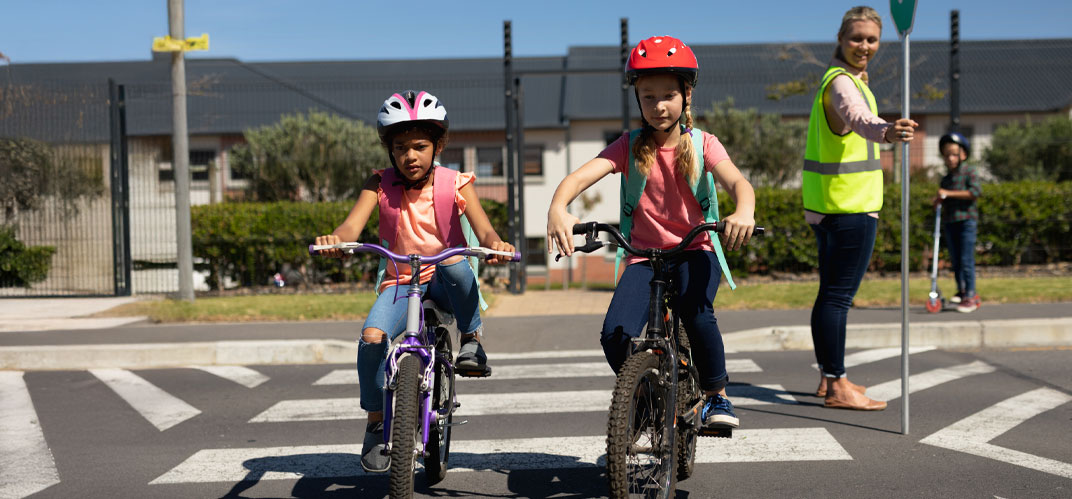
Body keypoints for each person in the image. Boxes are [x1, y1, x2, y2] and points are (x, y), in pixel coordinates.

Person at [547, 36, 756, 430]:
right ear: (638, 100)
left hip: (695, 249)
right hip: (644, 255)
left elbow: (738, 182)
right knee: (615, 334)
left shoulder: (702, 144)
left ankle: (716, 397)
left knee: (696, 313)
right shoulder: (628, 147)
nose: (658, 106)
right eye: (648, 97)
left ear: (686, 95)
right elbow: (578, 178)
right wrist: (558, 208)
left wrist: (743, 210)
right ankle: (644, 397)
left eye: (668, 95)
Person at [315, 90, 515, 472]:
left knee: (456, 260)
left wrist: (496, 244)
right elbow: (350, 226)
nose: (411, 155)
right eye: (401, 147)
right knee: (372, 338)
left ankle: (472, 341)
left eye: (420, 146)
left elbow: (485, 231)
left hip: (444, 275)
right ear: (389, 150)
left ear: (438, 146)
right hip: (400, 281)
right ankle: (375, 422)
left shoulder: (455, 182)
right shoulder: (378, 185)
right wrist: (335, 241)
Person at [803, 6, 918, 411]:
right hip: (850, 209)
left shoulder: (841, 80)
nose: (864, 46)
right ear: (840, 38)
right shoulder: (842, 85)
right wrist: (886, 130)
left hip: (827, 206)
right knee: (838, 298)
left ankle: (827, 377)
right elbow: (857, 118)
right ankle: (837, 386)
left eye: (871, 40)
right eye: (857, 38)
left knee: (828, 296)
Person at [935, 132, 982, 313]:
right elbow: (944, 197)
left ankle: (971, 295)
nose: (951, 158)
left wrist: (947, 193)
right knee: (955, 260)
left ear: (963, 154)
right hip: (951, 221)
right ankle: (962, 290)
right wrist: (939, 200)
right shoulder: (946, 178)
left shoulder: (969, 172)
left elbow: (975, 192)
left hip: (967, 222)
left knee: (966, 259)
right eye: (947, 155)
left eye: (954, 154)